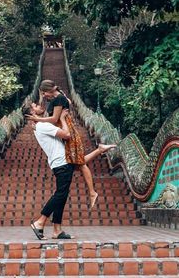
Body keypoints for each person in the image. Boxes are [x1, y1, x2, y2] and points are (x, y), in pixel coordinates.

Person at [23, 102, 117, 240]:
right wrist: (61, 119)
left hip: (62, 161)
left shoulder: (40, 126)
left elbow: (81, 162)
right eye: (35, 105)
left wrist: (98, 151)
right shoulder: (43, 125)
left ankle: (57, 230)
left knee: (63, 193)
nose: (39, 105)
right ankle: (40, 222)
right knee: (60, 194)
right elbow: (67, 135)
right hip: (61, 162)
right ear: (32, 113)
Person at [26, 79, 116, 209]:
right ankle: (99, 151)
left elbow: (54, 119)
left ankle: (92, 192)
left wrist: (37, 119)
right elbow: (62, 104)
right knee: (76, 163)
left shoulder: (58, 99)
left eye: (44, 93)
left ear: (50, 90)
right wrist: (42, 97)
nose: (44, 96)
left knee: (80, 163)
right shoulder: (58, 99)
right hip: (65, 131)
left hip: (68, 133)